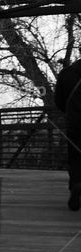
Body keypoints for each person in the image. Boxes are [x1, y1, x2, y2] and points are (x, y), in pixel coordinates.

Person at [54, 57, 81, 210]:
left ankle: (77, 183)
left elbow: (58, 101)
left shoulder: (67, 73)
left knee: (75, 156)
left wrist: (70, 111)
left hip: (75, 123)